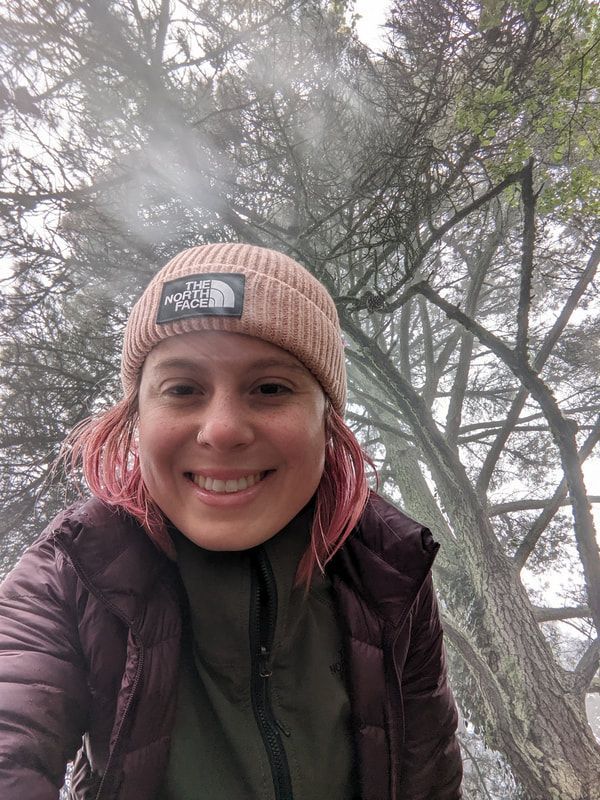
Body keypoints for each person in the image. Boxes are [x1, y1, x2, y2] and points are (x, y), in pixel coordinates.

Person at [0, 243, 462, 799]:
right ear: (137, 417)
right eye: (182, 389)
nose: (221, 430)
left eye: (270, 388)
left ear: (327, 421)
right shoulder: (71, 571)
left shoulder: (390, 572)